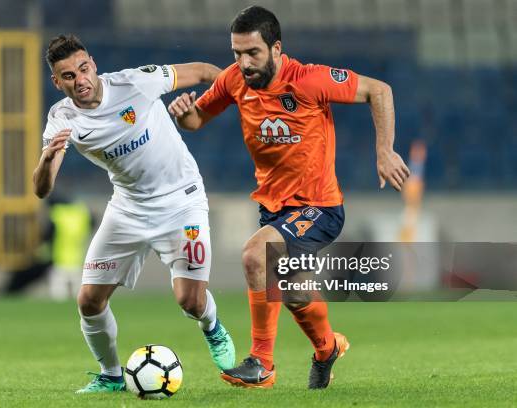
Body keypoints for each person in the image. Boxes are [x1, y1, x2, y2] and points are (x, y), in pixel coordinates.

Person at [168, 6, 410, 389]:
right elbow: (198, 120)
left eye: (253, 54)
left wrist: (385, 150)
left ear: (276, 48)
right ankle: (327, 348)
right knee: (295, 292)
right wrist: (184, 115)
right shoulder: (234, 81)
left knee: (255, 255)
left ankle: (261, 363)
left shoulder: (310, 79)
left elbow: (379, 90)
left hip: (320, 207)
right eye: (236, 54)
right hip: (274, 210)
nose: (243, 63)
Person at [33, 34, 235, 393]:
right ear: (57, 82)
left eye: (82, 69)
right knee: (89, 301)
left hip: (181, 201)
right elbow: (42, 189)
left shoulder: (136, 82)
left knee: (190, 301)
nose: (79, 80)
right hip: (128, 208)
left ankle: (213, 329)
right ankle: (111, 376)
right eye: (68, 76)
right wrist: (48, 160)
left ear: (93, 64)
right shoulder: (62, 118)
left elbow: (205, 71)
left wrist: (236, 102)